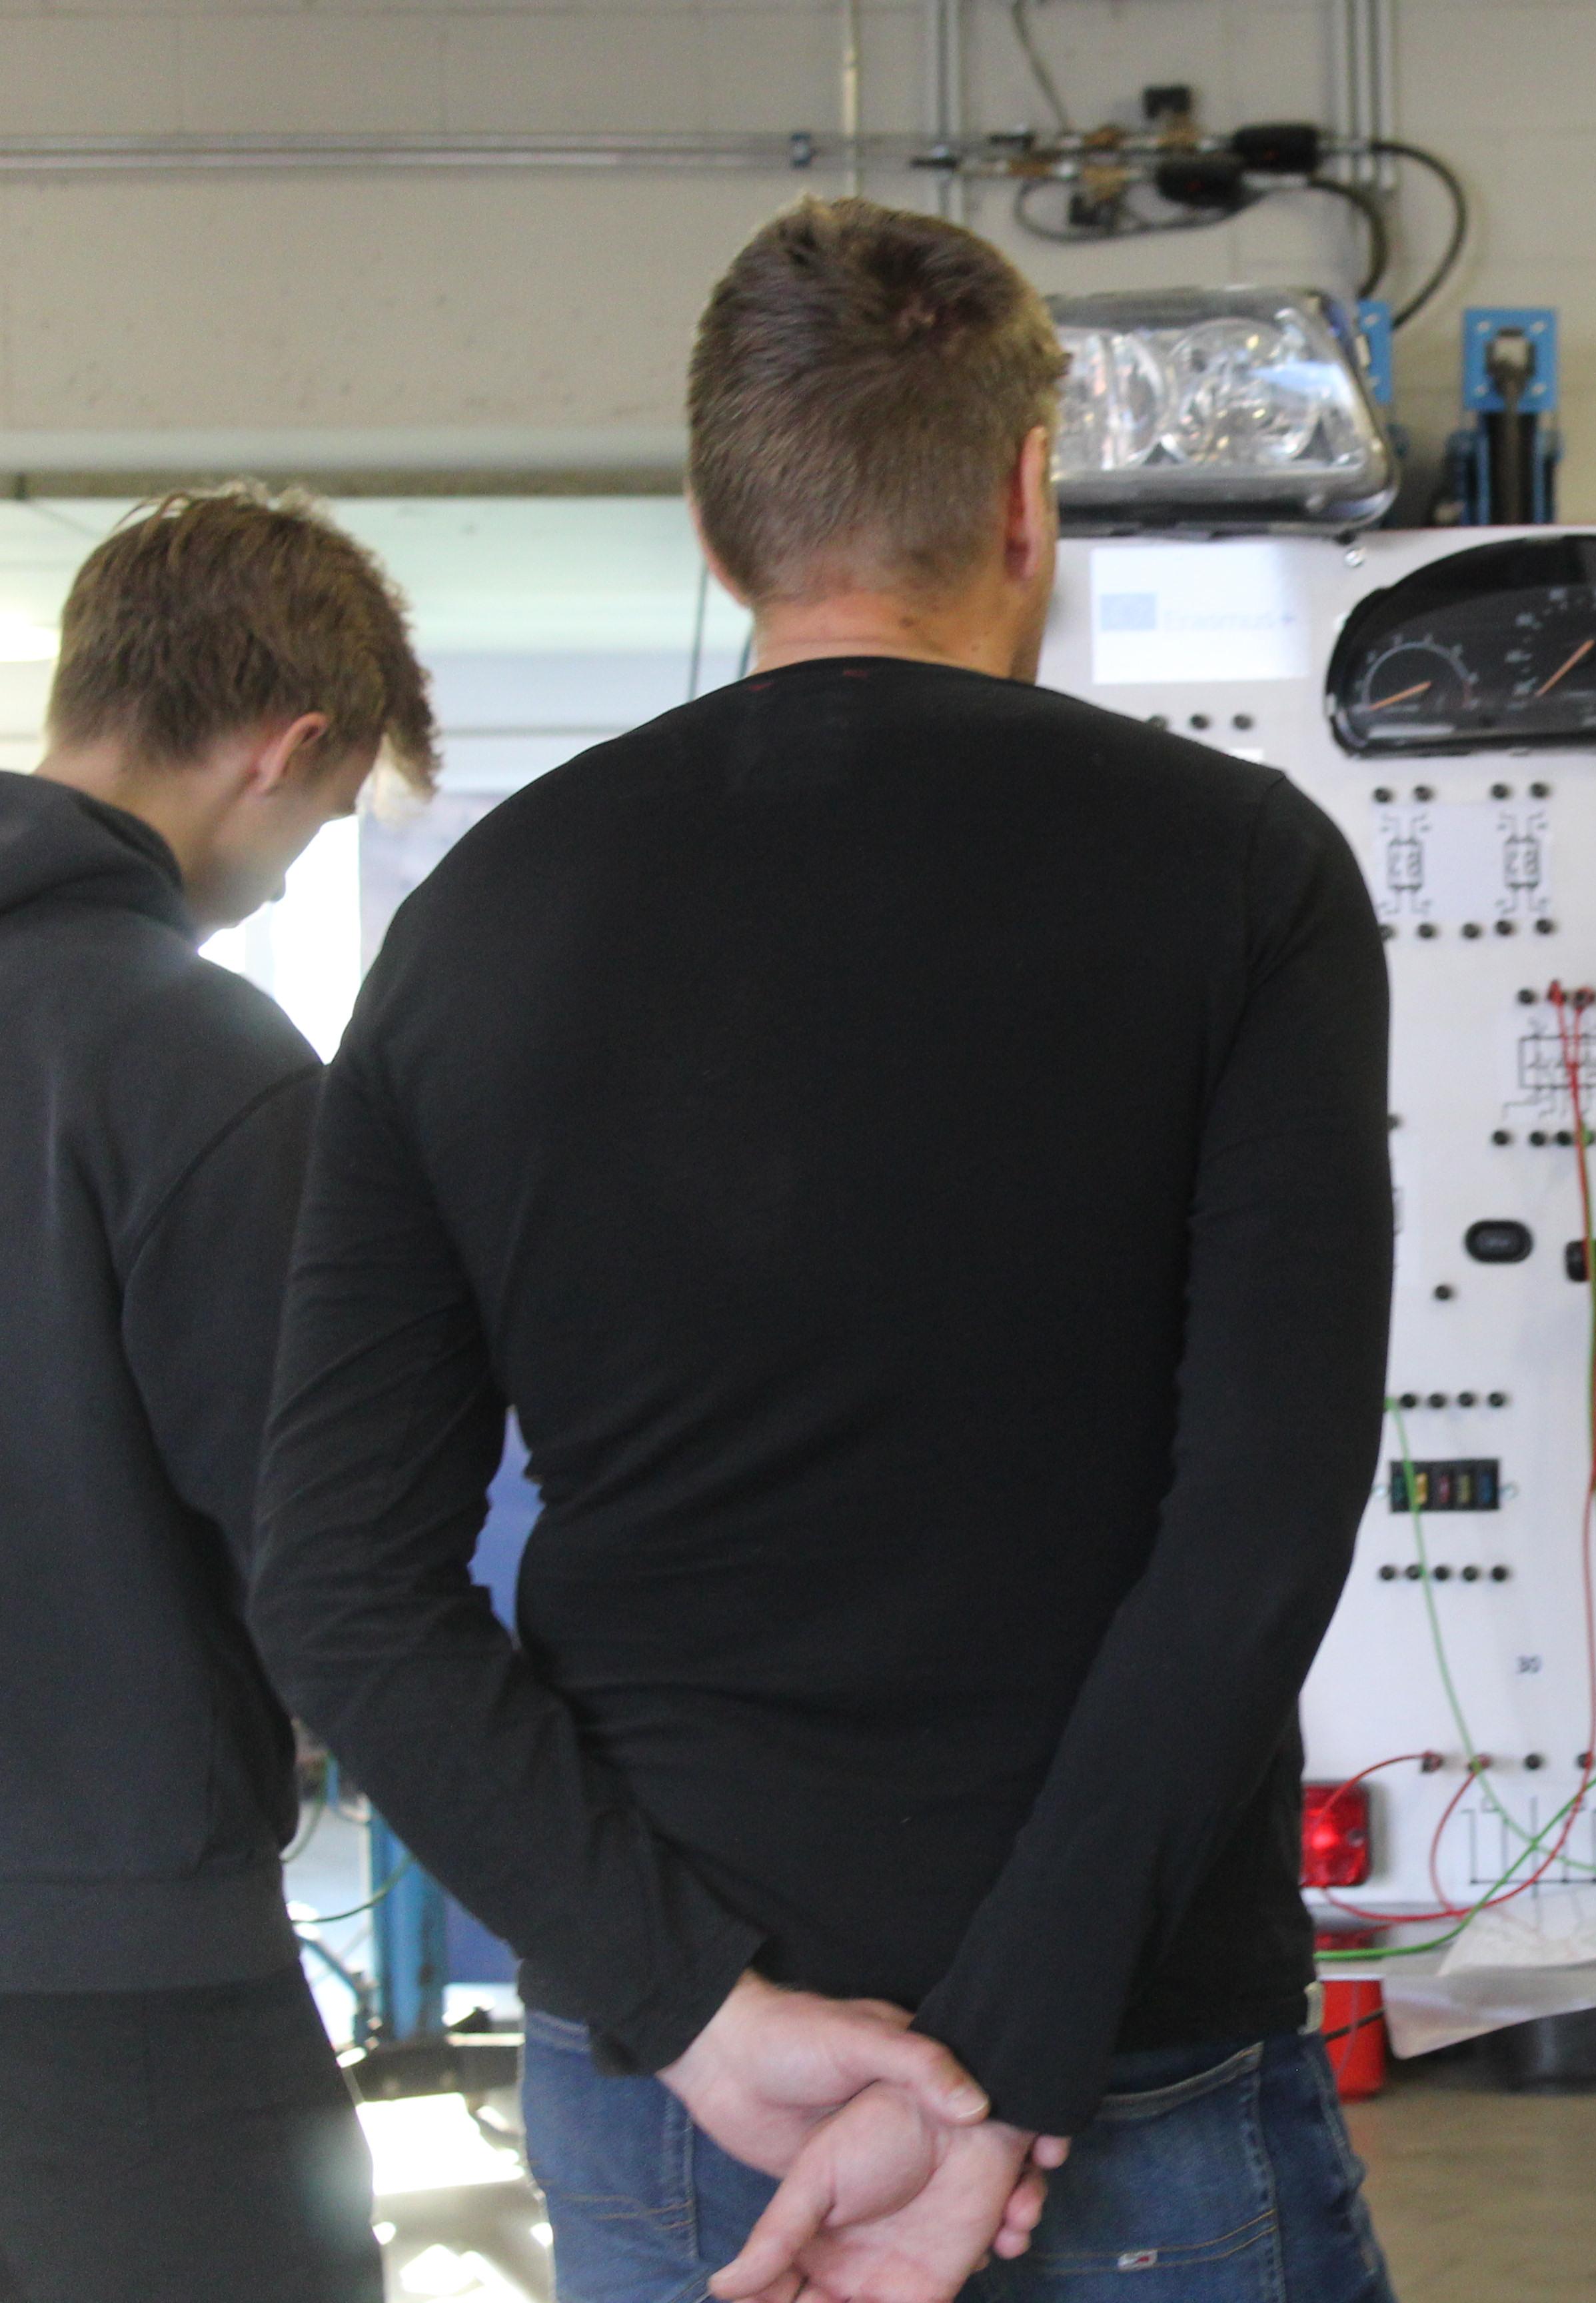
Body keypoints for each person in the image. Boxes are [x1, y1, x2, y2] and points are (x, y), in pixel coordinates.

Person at [249, 198, 1397, 2303]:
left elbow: (336, 1583)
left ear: (721, 528)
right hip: (1124, 2063)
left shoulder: (477, 930)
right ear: (1030, 495)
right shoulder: (1242, 878)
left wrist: (694, 2007)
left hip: (699, 2099)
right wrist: (1008, 2066)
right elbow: (1260, 1519)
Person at [1, 487, 438, 2302]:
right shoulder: (192, 1055)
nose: (287, 870)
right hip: (117, 2011)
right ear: (286, 749)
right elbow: (326, 1558)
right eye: (324, 824)